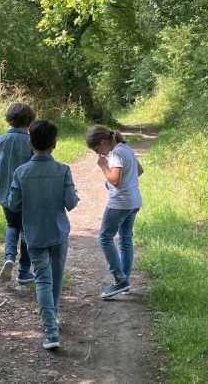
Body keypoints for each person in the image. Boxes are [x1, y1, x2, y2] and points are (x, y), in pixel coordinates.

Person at [8, 120, 79, 350]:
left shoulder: (21, 172)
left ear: (30, 143)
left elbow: (13, 203)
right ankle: (53, 315)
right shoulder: (63, 170)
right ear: (55, 144)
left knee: (42, 281)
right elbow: (71, 203)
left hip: (34, 234)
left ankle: (51, 331)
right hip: (59, 232)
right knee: (56, 277)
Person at [85, 125, 144, 299]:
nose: (99, 155)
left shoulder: (116, 154)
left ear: (102, 142)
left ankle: (120, 280)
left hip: (119, 202)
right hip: (134, 200)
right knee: (125, 239)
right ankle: (124, 281)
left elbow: (116, 180)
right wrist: (113, 182)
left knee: (104, 237)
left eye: (97, 149)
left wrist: (103, 167)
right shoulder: (126, 148)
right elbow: (139, 171)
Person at [0, 102, 36, 284]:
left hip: (5, 194)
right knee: (27, 230)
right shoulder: (31, 141)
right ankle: (24, 271)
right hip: (28, 195)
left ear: (9, 119)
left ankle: (8, 257)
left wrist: (5, 173)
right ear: (30, 120)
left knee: (12, 225)